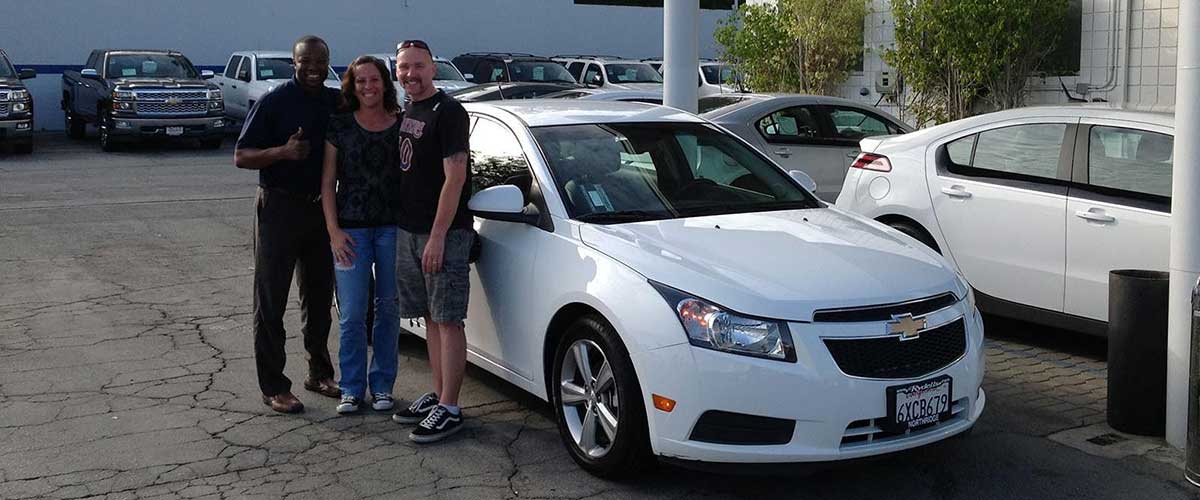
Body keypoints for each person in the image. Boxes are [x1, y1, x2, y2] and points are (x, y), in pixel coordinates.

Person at [234, 35, 341, 413]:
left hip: (319, 210)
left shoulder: (334, 102)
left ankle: (319, 372)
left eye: (319, 62)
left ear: (329, 62)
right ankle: (274, 386)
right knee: (271, 299)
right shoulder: (274, 102)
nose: (312, 69)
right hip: (278, 208)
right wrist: (282, 152)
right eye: (304, 62)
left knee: (318, 295)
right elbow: (242, 156)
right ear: (293, 64)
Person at [388, 39, 473, 443]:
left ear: (433, 69)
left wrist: (437, 237)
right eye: (404, 68)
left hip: (444, 234)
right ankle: (440, 396)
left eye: (419, 67)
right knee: (431, 321)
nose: (411, 74)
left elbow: (455, 177)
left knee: (448, 319)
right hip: (409, 230)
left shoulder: (450, 112)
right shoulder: (408, 109)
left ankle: (452, 408)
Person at [320, 55, 403, 414]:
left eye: (374, 80)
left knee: (388, 310)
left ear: (385, 83)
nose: (368, 87)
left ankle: (382, 385)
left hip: (392, 229)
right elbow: (326, 184)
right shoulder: (339, 126)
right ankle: (351, 388)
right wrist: (333, 231)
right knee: (353, 313)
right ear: (352, 87)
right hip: (350, 231)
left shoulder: (402, 124)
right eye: (360, 82)